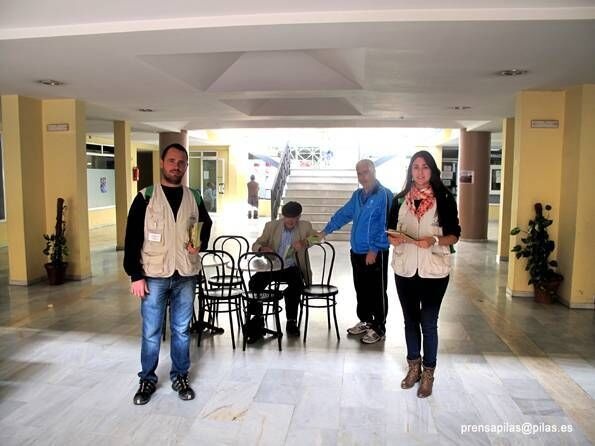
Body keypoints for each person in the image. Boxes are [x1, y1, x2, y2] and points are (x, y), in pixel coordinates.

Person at [124, 143, 212, 405]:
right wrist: (135, 275)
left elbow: (205, 224)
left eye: (181, 162)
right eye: (172, 161)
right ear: (162, 163)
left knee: (182, 330)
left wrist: (200, 243)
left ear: (186, 166)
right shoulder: (146, 197)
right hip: (153, 274)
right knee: (151, 331)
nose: (177, 166)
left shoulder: (194, 197)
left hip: (185, 273)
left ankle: (180, 376)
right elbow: (132, 237)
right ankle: (147, 379)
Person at [387, 150, 460, 398]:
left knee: (428, 323)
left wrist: (435, 240)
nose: (420, 172)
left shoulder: (445, 198)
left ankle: (428, 374)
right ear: (410, 171)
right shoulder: (399, 200)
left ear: (432, 171)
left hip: (434, 272)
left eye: (425, 167)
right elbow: (390, 230)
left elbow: (455, 235)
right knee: (410, 321)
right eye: (416, 167)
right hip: (405, 270)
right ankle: (413, 368)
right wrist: (393, 239)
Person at [319, 159, 392, 344]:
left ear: (373, 171)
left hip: (375, 253)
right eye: (359, 173)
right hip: (357, 251)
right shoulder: (358, 195)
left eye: (365, 172)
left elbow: (385, 224)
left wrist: (374, 249)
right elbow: (344, 214)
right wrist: (326, 231)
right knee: (362, 289)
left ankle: (379, 328)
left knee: (377, 291)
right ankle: (366, 321)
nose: (362, 176)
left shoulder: (384, 194)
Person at [250, 201, 317, 339]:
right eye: (287, 218)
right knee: (254, 282)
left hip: (292, 267)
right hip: (273, 267)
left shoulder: (305, 226)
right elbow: (256, 244)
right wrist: (262, 248)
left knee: (296, 286)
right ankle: (258, 318)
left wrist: (304, 242)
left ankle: (291, 321)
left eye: (294, 218)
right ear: (282, 216)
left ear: (299, 217)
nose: (290, 221)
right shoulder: (271, 226)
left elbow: (319, 237)